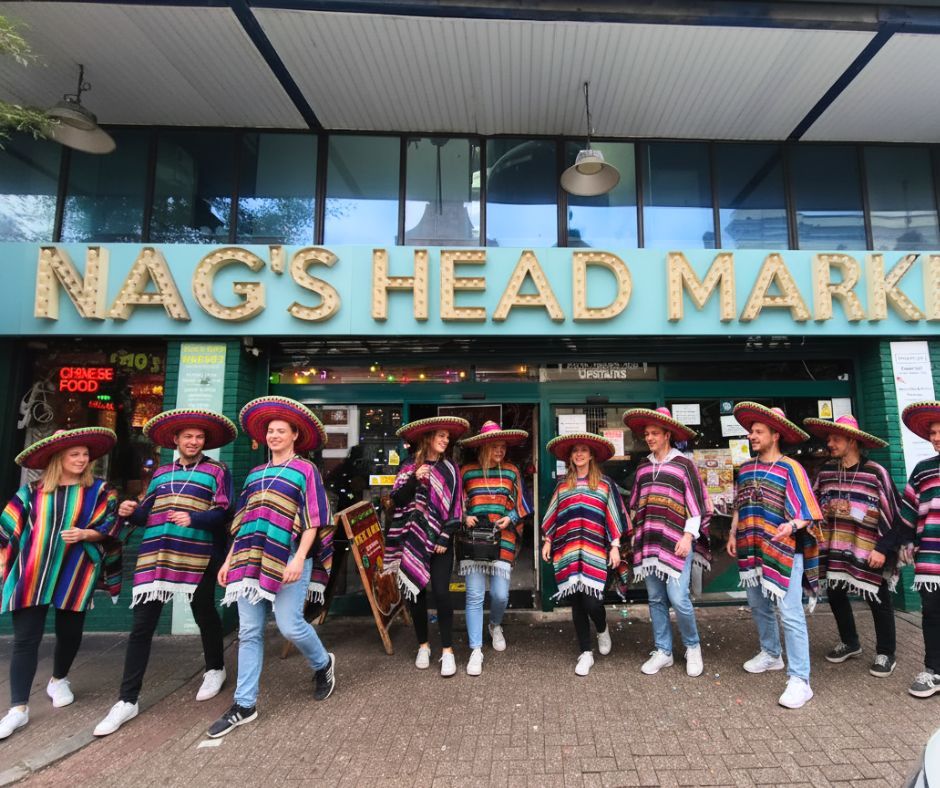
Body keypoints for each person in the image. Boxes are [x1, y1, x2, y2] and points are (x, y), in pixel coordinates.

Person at [94, 409, 237, 737]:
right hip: (156, 554)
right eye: (188, 437)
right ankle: (127, 700)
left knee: (204, 612)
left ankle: (215, 668)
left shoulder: (217, 470)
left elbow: (224, 510)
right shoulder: (160, 473)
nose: (194, 442)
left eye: (199, 437)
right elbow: (146, 514)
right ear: (176, 439)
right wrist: (131, 511)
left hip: (198, 553)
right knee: (142, 626)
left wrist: (194, 518)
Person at [208, 396, 335, 738]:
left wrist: (299, 558)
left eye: (281, 430)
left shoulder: (305, 470)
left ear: (295, 435)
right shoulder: (255, 474)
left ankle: (323, 663)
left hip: (289, 556)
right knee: (249, 631)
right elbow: (243, 521)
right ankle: (244, 704)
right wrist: (229, 559)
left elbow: (314, 518)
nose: (274, 435)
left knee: (290, 626)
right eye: (270, 431)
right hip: (249, 558)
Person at [0, 428, 119, 740]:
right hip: (31, 573)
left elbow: (112, 523)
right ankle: (18, 709)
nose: (81, 460)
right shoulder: (32, 492)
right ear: (58, 458)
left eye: (85, 455)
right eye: (74, 454)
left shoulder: (100, 490)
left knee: (70, 632)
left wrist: (87, 534)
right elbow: (6, 529)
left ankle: (58, 679)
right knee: (26, 639)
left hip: (75, 570)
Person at [726, 402, 822, 709]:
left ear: (775, 435)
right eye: (751, 432)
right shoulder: (746, 469)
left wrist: (791, 526)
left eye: (758, 431)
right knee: (758, 605)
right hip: (751, 547)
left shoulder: (791, 468)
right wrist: (733, 532)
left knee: (791, 614)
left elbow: (809, 511)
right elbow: (740, 505)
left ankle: (800, 680)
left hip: (785, 550)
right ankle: (771, 654)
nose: (751, 436)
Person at [803, 414, 902, 678]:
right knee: (835, 594)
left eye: (836, 439)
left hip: (869, 549)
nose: (830, 443)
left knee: (877, 597)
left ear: (853, 441)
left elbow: (894, 514)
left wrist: (882, 548)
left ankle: (886, 652)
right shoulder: (826, 472)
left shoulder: (875, 473)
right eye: (829, 438)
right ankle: (850, 642)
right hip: (835, 548)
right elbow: (813, 505)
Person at [623, 407, 711, 678]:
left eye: (654, 433)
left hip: (677, 541)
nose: (649, 438)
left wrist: (688, 536)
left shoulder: (684, 465)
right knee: (656, 598)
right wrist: (635, 534)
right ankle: (663, 651)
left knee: (678, 597)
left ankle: (693, 647)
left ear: (667, 435)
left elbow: (696, 506)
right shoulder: (643, 466)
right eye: (647, 434)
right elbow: (638, 504)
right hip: (650, 541)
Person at [383, 416, 468, 677]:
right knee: (416, 593)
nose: (445, 440)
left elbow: (456, 506)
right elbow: (397, 501)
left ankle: (447, 651)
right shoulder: (409, 466)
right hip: (413, 540)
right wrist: (414, 479)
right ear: (428, 438)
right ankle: (423, 645)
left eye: (447, 437)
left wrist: (444, 537)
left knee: (442, 593)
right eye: (441, 435)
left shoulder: (450, 469)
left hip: (441, 542)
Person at [541, 433, 628, 677]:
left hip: (596, 550)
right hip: (569, 549)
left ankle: (601, 627)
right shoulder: (563, 485)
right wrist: (548, 541)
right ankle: (586, 652)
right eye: (575, 450)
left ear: (591, 456)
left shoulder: (605, 484)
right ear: (571, 456)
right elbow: (554, 514)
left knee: (593, 602)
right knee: (577, 601)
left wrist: (615, 546)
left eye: (583, 450)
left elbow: (613, 516)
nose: (579, 454)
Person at [457, 421, 531, 676]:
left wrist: (511, 517)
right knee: (474, 596)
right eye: (495, 446)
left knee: (500, 595)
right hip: (474, 541)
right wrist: (464, 516)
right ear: (483, 447)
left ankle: (494, 624)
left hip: (503, 540)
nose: (500, 450)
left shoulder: (511, 471)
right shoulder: (467, 472)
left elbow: (523, 503)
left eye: (503, 446)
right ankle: (475, 649)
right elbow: (456, 503)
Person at [898, 401, 940, 699]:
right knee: (932, 614)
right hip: (931, 558)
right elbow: (909, 509)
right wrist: (906, 542)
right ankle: (933, 670)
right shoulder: (923, 470)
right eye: (933, 433)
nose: (935, 438)